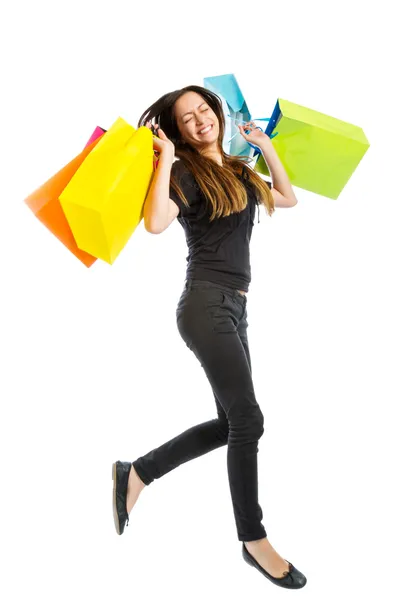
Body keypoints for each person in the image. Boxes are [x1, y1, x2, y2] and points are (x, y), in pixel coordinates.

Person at [112, 85, 306, 589]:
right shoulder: (184, 173)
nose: (200, 121)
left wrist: (264, 146)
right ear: (178, 130)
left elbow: (287, 197)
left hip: (235, 308)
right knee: (249, 418)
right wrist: (167, 158)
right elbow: (155, 223)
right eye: (187, 119)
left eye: (204, 110)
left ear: (216, 113)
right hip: (204, 305)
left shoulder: (240, 170)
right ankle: (253, 539)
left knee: (232, 424)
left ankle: (136, 473)